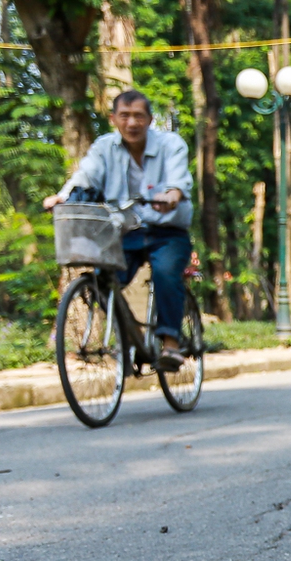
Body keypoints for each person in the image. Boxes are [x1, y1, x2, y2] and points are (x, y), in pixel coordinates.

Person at [44, 90, 194, 371]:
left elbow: (178, 180)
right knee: (102, 284)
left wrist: (172, 195)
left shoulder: (171, 144)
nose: (132, 123)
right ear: (113, 119)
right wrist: (62, 196)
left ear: (150, 120)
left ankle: (171, 345)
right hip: (124, 231)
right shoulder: (104, 147)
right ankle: (127, 341)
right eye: (124, 116)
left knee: (164, 273)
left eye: (138, 116)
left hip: (167, 231)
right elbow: (85, 175)